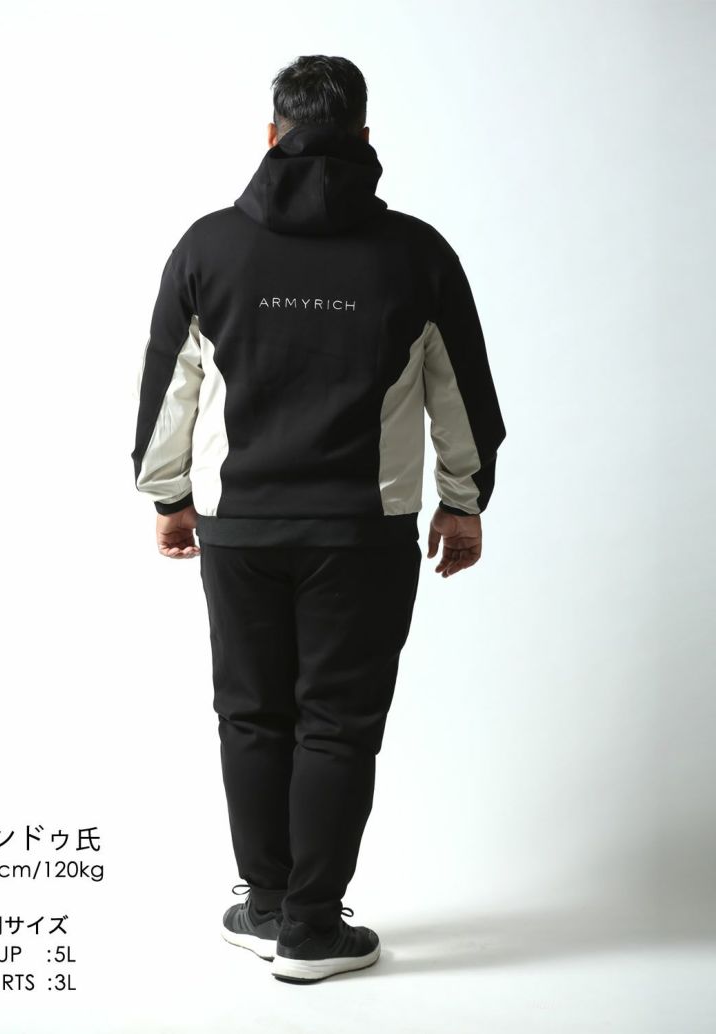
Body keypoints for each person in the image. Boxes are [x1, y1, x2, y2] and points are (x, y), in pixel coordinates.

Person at [131, 54, 507, 984]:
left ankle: (264, 907)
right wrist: (462, 504)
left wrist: (170, 496)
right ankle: (308, 929)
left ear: (273, 135)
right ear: (365, 138)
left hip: (240, 527)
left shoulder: (209, 247)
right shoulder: (416, 254)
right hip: (362, 533)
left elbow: (169, 385)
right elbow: (463, 395)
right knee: (337, 725)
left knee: (251, 715)